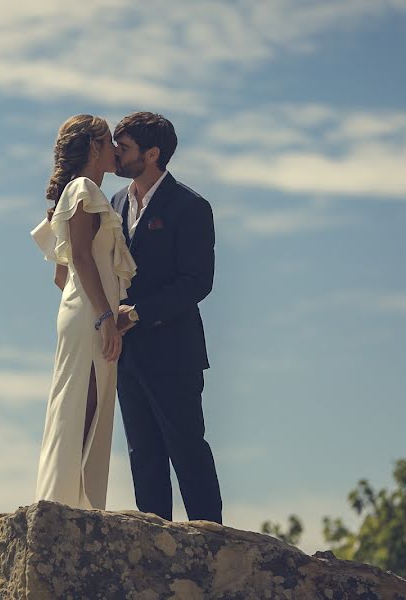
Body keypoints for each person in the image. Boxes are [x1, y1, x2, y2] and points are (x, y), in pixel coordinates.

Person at [110, 111, 223, 524]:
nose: (116, 156)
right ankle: (154, 547)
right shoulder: (116, 203)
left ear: (152, 154)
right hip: (126, 355)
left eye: (124, 149)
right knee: (143, 456)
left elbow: (198, 281)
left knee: (188, 449)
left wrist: (140, 313)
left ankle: (212, 543)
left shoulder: (190, 206)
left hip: (175, 353)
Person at [30, 115, 137, 510]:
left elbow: (64, 277)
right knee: (81, 411)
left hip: (83, 314)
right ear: (94, 147)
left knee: (80, 411)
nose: (115, 150)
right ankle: (63, 508)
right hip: (89, 320)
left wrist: (109, 311)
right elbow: (77, 258)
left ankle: (68, 505)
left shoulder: (78, 194)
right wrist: (104, 317)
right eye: (109, 141)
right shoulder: (84, 189)